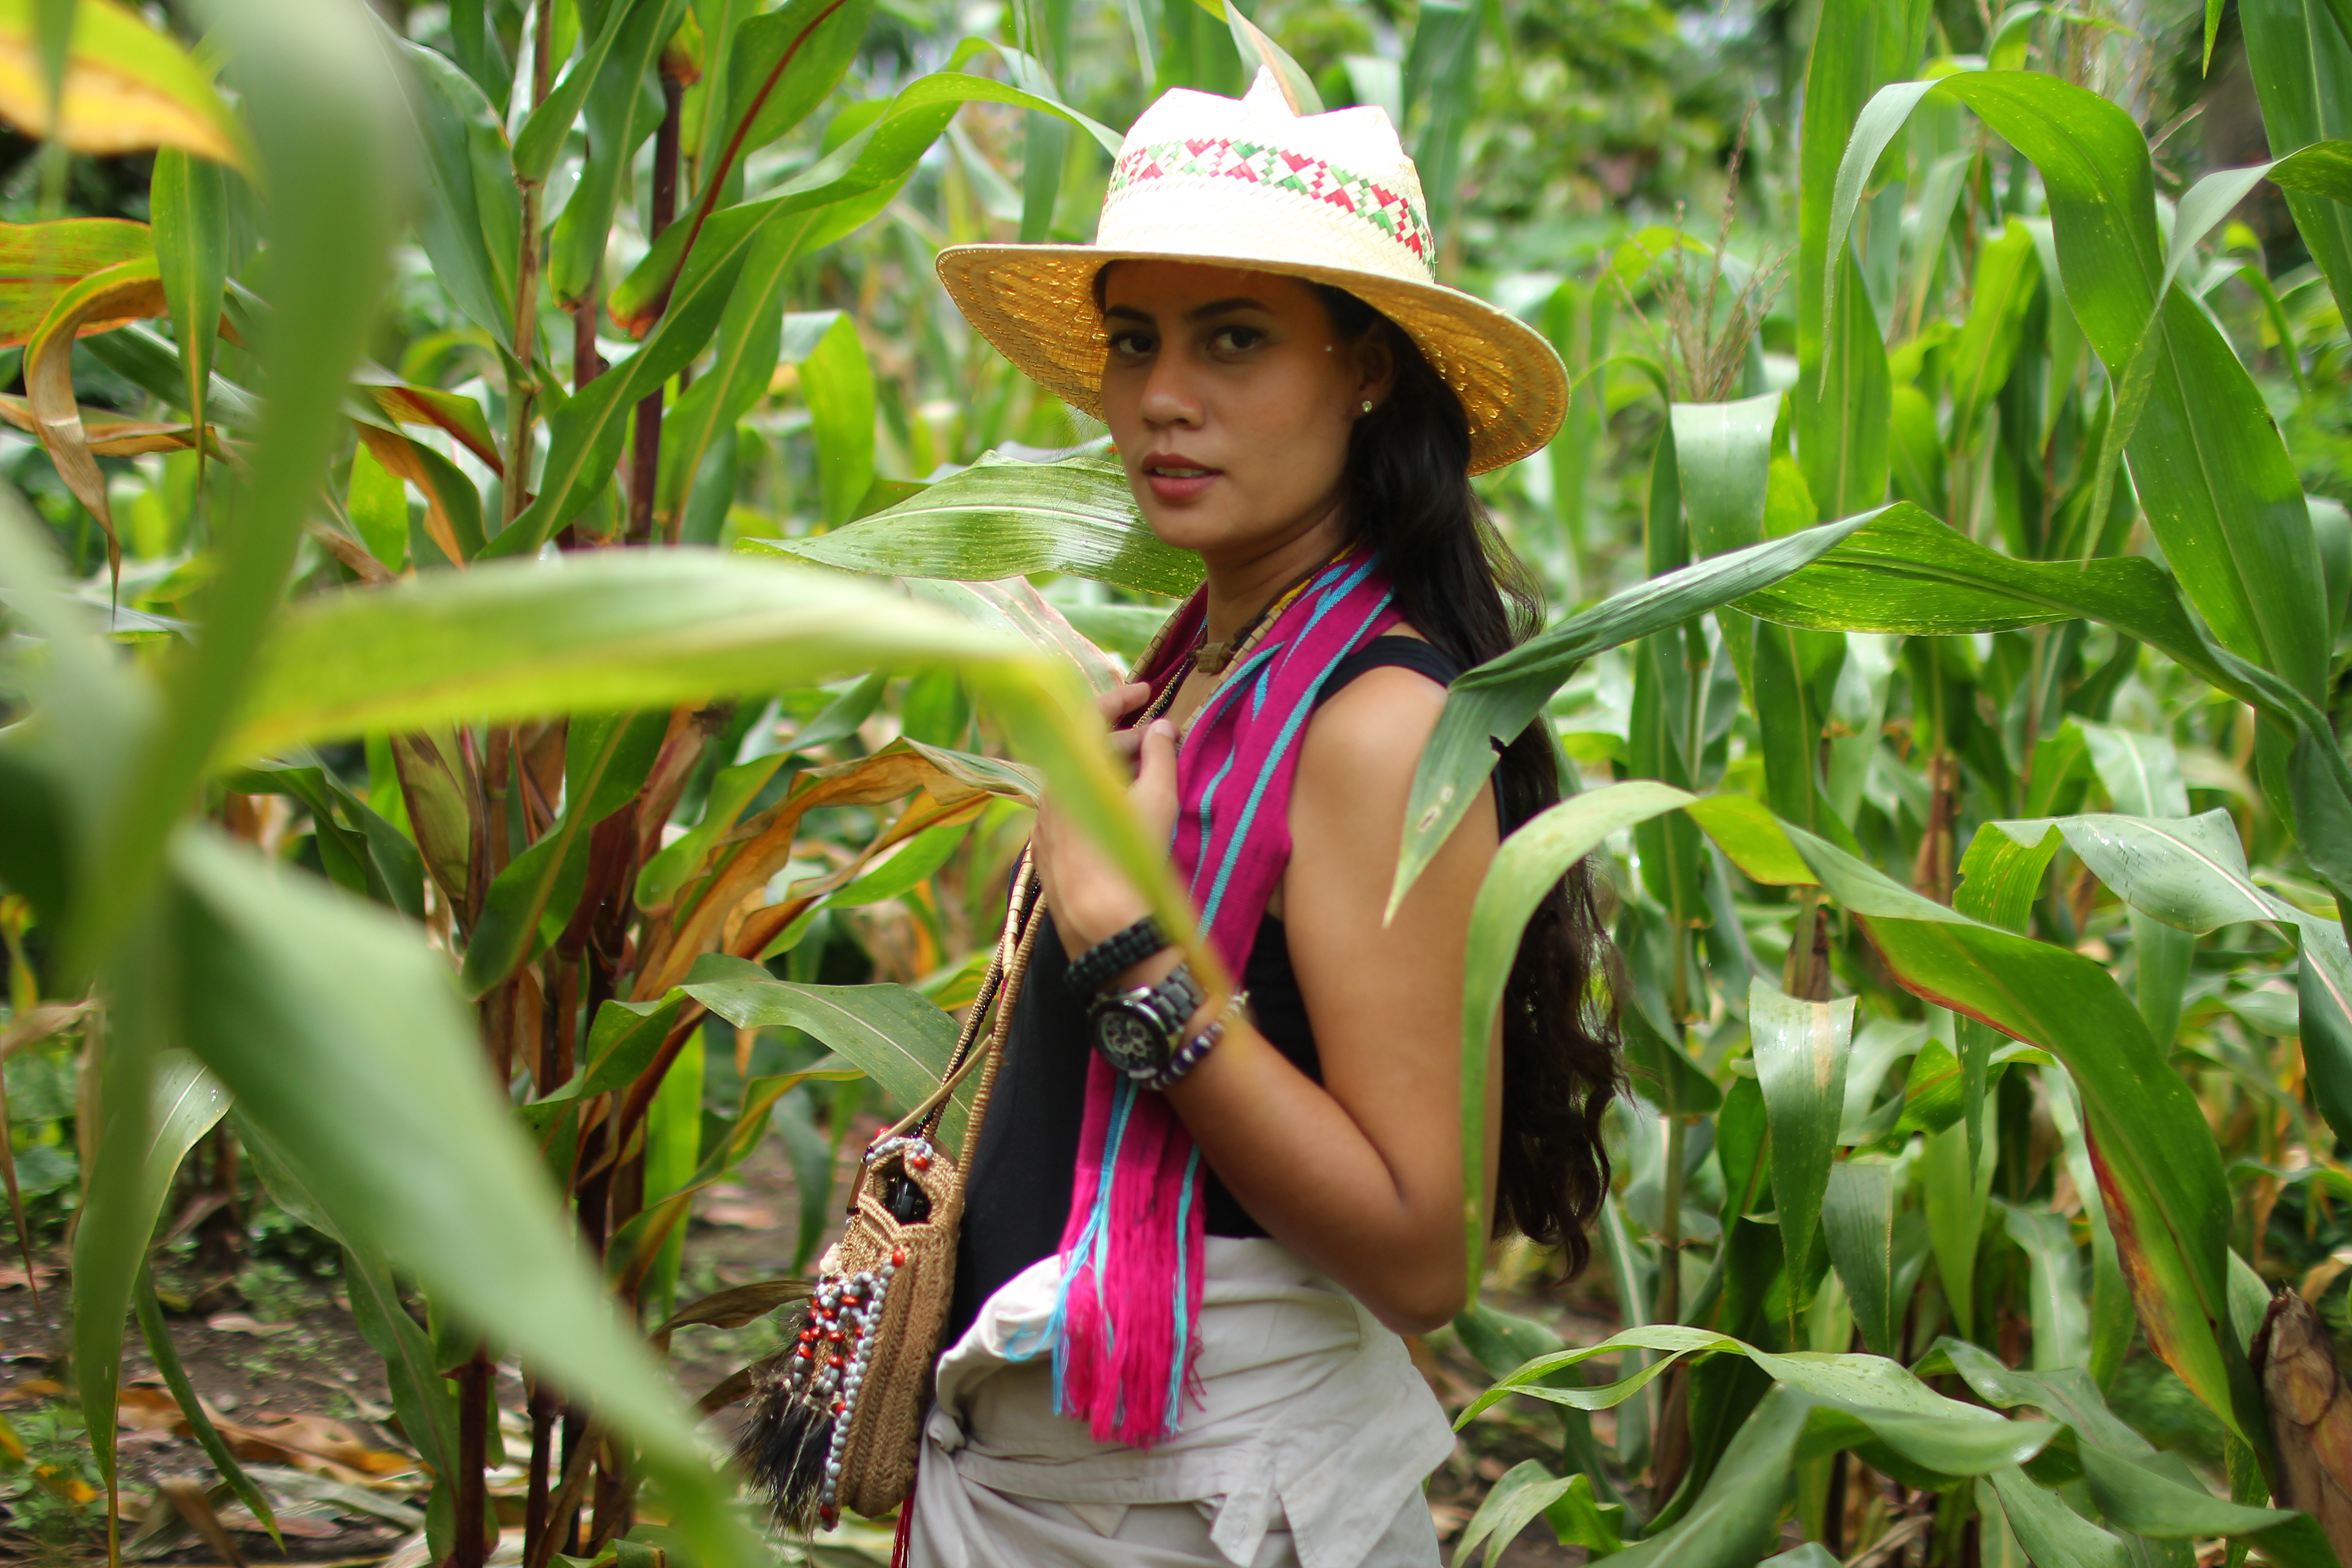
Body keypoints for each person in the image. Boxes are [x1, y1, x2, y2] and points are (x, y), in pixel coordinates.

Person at [911, 67, 1622, 1568]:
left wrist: (1134, 955)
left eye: (1235, 338)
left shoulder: (1378, 726)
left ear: (1366, 370)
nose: (1164, 396)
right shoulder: (1201, 673)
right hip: (1073, 1492)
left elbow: (1423, 1249)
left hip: (1195, 1510)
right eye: (1136, 340)